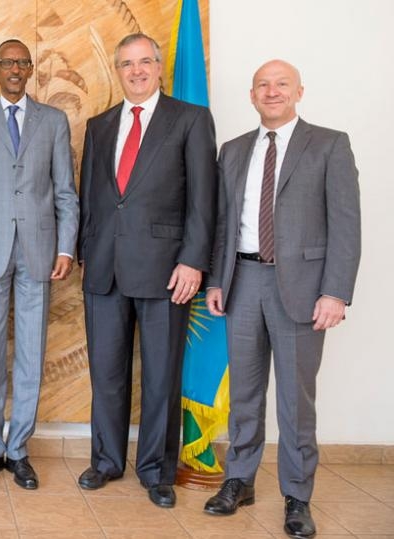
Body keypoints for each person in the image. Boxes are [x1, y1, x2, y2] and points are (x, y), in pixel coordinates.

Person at [203, 60, 360, 538]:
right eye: (263, 86)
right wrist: (216, 280)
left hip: (304, 289)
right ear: (252, 96)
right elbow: (222, 223)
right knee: (245, 394)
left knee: (295, 399)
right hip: (243, 280)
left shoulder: (330, 144)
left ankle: (297, 495)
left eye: (281, 85)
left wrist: (335, 291)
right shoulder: (232, 150)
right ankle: (239, 479)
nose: (272, 92)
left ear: (299, 92)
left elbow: (346, 224)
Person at [76, 33, 217, 508]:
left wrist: (194, 261)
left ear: (159, 67)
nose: (136, 71)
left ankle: (157, 470)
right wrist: (83, 253)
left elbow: (203, 198)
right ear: (117, 71)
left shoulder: (190, 119)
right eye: (126, 64)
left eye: (144, 62)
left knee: (161, 375)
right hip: (103, 272)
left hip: (166, 272)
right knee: (107, 374)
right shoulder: (98, 126)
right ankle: (107, 461)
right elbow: (92, 199)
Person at [0, 38, 79, 490]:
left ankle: (19, 449)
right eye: (8, 62)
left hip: (39, 253)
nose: (16, 69)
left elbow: (65, 191)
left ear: (30, 70)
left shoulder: (54, 121)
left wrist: (66, 248)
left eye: (23, 62)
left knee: (31, 353)